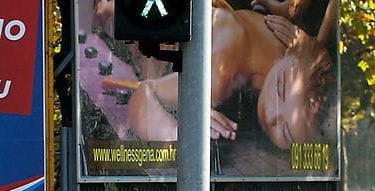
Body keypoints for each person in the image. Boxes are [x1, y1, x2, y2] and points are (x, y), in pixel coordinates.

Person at [122, 0, 333, 149]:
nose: (271, 115)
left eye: (286, 133)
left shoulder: (294, 51)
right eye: (279, 89)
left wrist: (310, 46)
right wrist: (180, 131)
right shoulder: (218, 78)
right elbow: (143, 94)